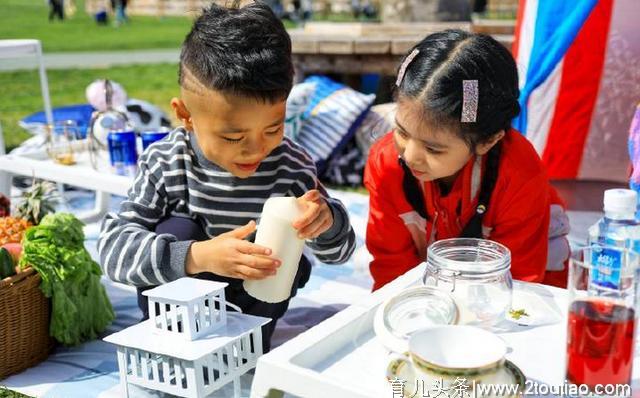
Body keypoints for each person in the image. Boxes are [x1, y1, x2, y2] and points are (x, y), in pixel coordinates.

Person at [98, 2, 356, 351]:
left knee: (290, 259)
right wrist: (197, 256)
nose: (254, 149)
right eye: (233, 137)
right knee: (177, 229)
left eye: (273, 128)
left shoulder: (291, 166)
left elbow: (338, 254)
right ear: (185, 115)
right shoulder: (169, 163)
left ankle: (247, 346)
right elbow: (112, 250)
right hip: (178, 317)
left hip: (254, 313)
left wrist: (326, 221)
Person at [364, 29, 570, 291]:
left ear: (488, 141)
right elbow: (391, 266)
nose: (410, 156)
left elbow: (520, 278)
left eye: (433, 149)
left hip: (516, 294)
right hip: (428, 293)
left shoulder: (520, 174)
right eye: (402, 132)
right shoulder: (386, 164)